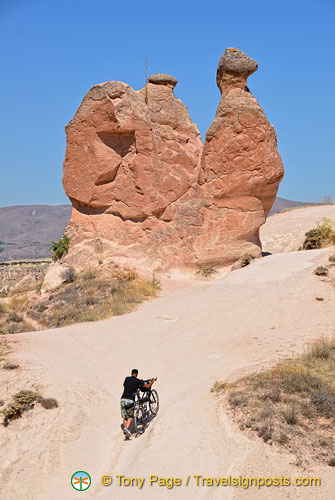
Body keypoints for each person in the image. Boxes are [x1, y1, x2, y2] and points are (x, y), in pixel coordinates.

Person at [120, 369, 156, 438]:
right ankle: (127, 428)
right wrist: (152, 381)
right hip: (130, 399)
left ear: (131, 373)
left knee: (125, 416)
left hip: (123, 399)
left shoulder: (126, 379)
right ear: (137, 374)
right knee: (130, 416)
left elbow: (124, 386)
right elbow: (147, 387)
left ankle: (126, 432)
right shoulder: (137, 381)